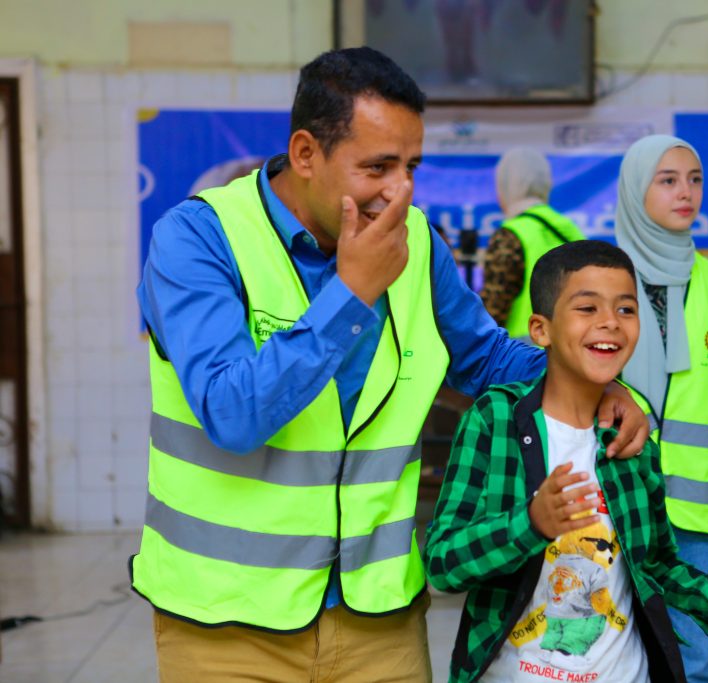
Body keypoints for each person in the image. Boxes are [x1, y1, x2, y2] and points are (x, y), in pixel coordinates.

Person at [131, 47, 649, 682]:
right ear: (304, 154)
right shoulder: (198, 239)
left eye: (410, 168)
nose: (398, 192)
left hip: (379, 620)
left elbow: (486, 358)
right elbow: (231, 413)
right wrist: (351, 293)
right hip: (225, 624)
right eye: (377, 167)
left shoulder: (417, 243)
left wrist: (598, 382)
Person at [425, 240, 708, 682]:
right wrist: (531, 524)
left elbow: (658, 565)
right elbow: (443, 563)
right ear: (540, 330)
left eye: (625, 310)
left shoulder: (632, 438)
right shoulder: (494, 421)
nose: (609, 324)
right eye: (587, 308)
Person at [613, 134, 708, 683]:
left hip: (705, 512)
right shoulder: (600, 276)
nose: (687, 192)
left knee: (697, 663)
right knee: (611, 654)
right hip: (619, 504)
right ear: (636, 190)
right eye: (669, 179)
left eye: (695, 179)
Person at [480, 147, 586, 339]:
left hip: (523, 353)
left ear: (506, 185)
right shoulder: (571, 230)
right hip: (570, 348)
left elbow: (492, 311)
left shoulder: (510, 235)